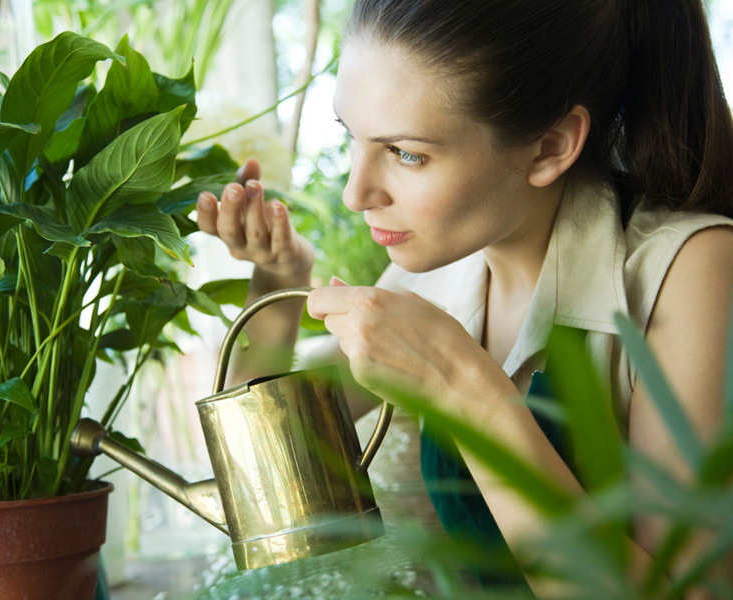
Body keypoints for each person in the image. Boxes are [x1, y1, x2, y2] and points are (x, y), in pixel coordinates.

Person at [196, 0, 733, 595]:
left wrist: (463, 387)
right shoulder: (437, 271)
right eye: (352, 137)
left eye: (407, 154)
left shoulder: (687, 269)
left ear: (550, 146)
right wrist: (277, 282)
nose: (354, 193)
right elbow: (267, 472)